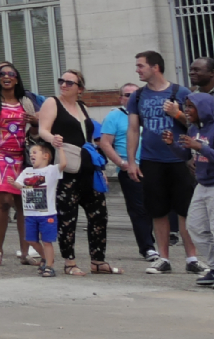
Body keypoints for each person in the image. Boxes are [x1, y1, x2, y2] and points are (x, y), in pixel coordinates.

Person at [124, 49, 200, 275]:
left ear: (155, 67)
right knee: (158, 211)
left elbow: (196, 126)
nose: (137, 70)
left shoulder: (180, 92)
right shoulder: (137, 96)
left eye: (141, 66)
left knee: (185, 211)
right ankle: (163, 258)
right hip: (150, 160)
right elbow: (133, 130)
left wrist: (177, 114)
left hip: (180, 159)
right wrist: (131, 161)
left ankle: (192, 258)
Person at [37, 68, 115, 275]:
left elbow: (89, 140)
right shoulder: (53, 102)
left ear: (80, 88)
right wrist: (51, 138)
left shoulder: (82, 106)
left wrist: (99, 168)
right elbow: (42, 128)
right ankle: (69, 262)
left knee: (99, 214)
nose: (63, 85)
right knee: (67, 217)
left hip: (88, 167)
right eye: (61, 81)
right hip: (67, 169)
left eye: (69, 82)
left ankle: (98, 260)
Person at [0, 61, 37, 267]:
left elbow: (35, 133)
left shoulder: (25, 101)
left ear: (17, 78)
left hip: (21, 158)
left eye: (11, 73)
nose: (6, 76)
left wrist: (36, 123)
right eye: (2, 74)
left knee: (23, 205)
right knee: (3, 202)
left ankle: (25, 252)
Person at [98, 82, 155, 260]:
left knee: (158, 207)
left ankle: (163, 241)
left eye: (135, 94)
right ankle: (147, 247)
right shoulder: (115, 116)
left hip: (154, 166)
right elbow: (105, 142)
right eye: (127, 95)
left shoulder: (148, 114)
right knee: (139, 209)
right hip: (131, 168)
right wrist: (122, 163)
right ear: (121, 98)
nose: (132, 98)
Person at [180, 91, 214, 287]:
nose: (186, 110)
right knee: (195, 227)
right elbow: (187, 154)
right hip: (202, 184)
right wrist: (173, 145)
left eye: (191, 107)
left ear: (203, 109)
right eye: (185, 106)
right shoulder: (193, 130)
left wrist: (200, 147)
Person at [16, 138, 64, 278]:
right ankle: (45, 258)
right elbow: (20, 185)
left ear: (46, 156)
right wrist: (13, 184)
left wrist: (60, 148)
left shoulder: (51, 170)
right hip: (30, 213)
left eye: (35, 152)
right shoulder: (27, 171)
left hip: (47, 213)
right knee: (30, 240)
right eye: (30, 153)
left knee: (47, 241)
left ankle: (49, 266)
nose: (31, 155)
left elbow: (64, 164)